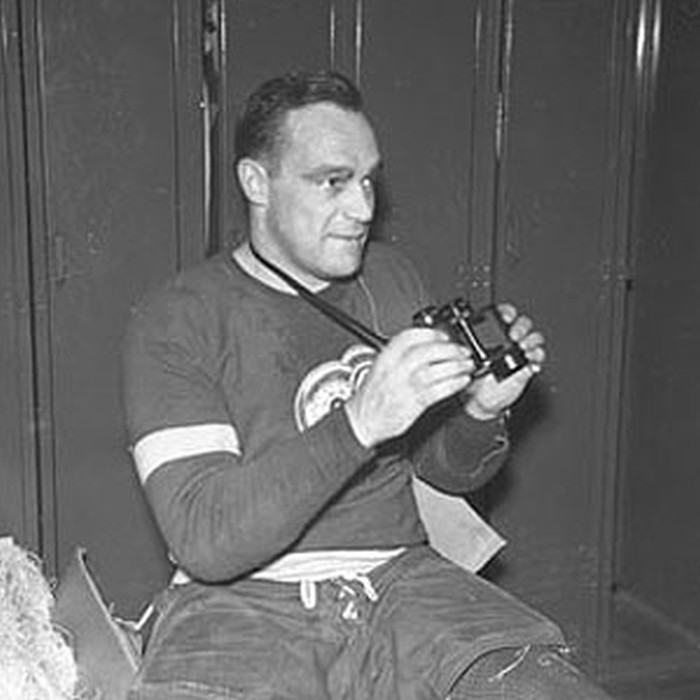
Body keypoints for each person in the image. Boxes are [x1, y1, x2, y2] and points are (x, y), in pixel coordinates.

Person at [123, 70, 611, 699]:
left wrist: (482, 412)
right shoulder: (175, 319)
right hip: (240, 604)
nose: (362, 209)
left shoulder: (391, 279)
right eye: (332, 181)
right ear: (256, 182)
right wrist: (359, 421)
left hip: (403, 584)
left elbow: (442, 473)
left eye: (367, 180)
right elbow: (205, 539)